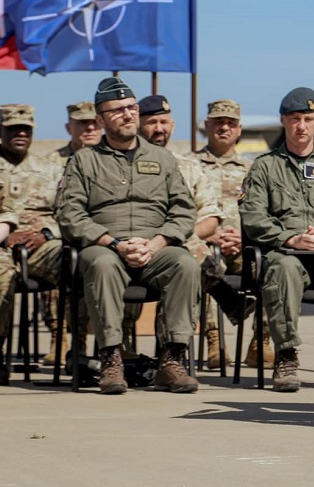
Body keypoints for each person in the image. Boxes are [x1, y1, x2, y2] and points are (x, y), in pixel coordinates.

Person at [54, 77, 200, 394]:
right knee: (102, 264)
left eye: (131, 107)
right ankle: (111, 358)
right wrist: (115, 244)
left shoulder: (163, 159)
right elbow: (69, 214)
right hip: (106, 247)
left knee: (185, 264)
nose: (127, 114)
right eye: (117, 110)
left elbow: (184, 210)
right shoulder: (84, 160)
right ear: (101, 118)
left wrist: (158, 242)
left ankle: (172, 361)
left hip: (155, 249)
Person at [240, 87, 314, 392]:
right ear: (283, 121)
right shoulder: (265, 167)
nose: (301, 126)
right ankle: (286, 356)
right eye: (295, 119)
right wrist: (290, 238)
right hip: (288, 255)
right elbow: (253, 218)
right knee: (282, 268)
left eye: (308, 118)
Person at [136, 94, 239, 363]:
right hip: (135, 250)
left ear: (172, 125)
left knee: (189, 260)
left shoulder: (188, 167)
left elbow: (210, 217)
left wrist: (172, 236)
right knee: (195, 256)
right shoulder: (121, 164)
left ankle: (172, 353)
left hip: (174, 252)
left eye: (164, 122)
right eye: (151, 122)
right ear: (136, 123)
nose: (159, 128)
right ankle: (122, 350)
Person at [0, 104, 66, 384]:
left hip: (41, 244)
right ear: (0, 131)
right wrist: (1, 233)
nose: (21, 134)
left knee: (79, 261)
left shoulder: (51, 169)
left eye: (26, 129)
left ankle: (80, 350)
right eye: (14, 129)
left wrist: (47, 233)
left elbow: (71, 212)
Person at [187, 98, 269, 369]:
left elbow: (263, 211)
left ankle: (261, 342)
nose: (224, 128)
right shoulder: (188, 165)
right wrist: (209, 235)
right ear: (206, 126)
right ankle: (214, 341)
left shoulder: (253, 169)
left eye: (230, 123)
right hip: (208, 243)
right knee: (207, 264)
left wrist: (245, 238)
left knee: (271, 267)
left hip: (244, 245)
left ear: (239, 129)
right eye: (218, 122)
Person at [41, 100, 100, 364]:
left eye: (93, 123)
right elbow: (42, 207)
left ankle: (110, 341)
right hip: (60, 235)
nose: (89, 128)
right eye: (81, 123)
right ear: (69, 127)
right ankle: (61, 337)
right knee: (64, 258)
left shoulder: (110, 160)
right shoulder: (50, 163)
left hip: (98, 236)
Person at [45, 101, 101, 168]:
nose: (90, 127)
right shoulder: (51, 162)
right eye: (83, 122)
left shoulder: (112, 158)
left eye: (95, 122)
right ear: (68, 128)